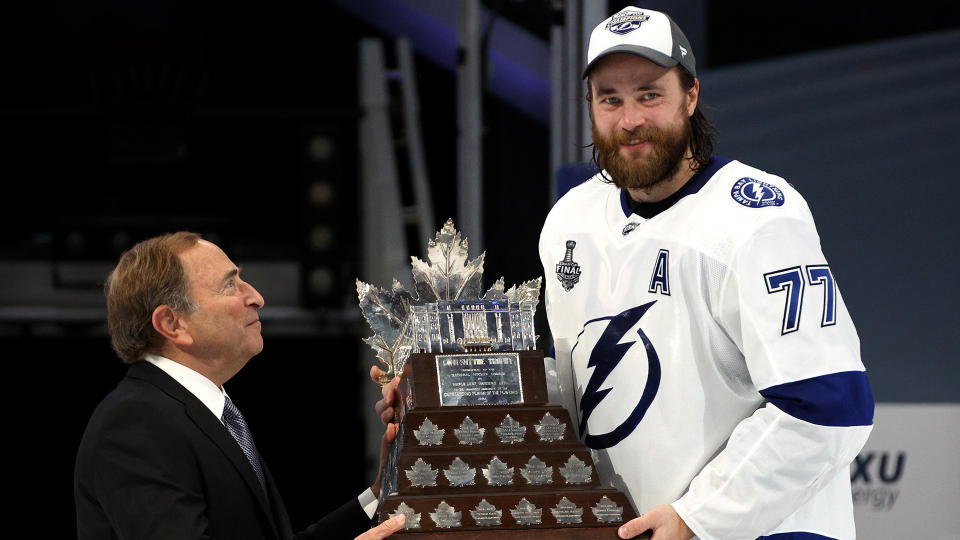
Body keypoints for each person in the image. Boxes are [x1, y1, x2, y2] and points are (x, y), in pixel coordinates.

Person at [535, 6, 875, 540]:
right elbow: (568, 393)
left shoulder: (758, 219)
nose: (630, 120)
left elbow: (828, 409)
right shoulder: (569, 221)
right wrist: (444, 404)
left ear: (690, 95)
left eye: (650, 94)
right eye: (611, 99)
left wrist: (699, 516)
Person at [75, 231, 404, 540]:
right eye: (230, 285)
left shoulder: (207, 415)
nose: (257, 297)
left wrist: (382, 491)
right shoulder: (136, 424)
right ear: (172, 323)